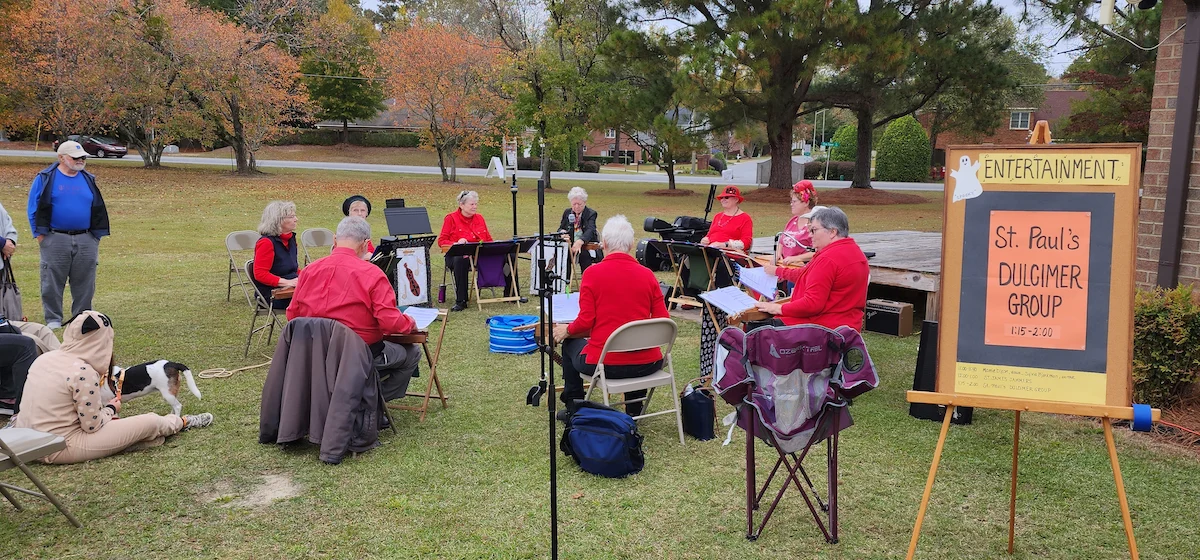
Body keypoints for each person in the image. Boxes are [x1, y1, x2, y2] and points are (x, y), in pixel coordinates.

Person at [12, 311, 213, 464]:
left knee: (129, 430)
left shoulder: (45, 358)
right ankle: (180, 422)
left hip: (23, 439)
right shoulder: (83, 371)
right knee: (150, 421)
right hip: (58, 446)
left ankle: (136, 441)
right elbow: (92, 426)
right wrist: (111, 409)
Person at [287, 217, 421, 401]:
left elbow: (292, 316)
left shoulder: (310, 270)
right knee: (412, 353)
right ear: (366, 245)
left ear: (334, 240)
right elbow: (391, 323)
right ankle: (371, 402)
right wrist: (411, 322)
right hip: (358, 353)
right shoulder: (372, 274)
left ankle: (349, 399)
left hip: (313, 352)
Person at [553, 215, 669, 421]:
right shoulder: (648, 275)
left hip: (606, 364)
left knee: (570, 342)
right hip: (649, 363)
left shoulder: (592, 273)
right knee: (632, 344)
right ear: (631, 245)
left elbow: (586, 321)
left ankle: (575, 405)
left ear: (603, 244)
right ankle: (634, 407)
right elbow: (663, 320)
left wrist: (566, 330)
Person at [26, 141, 111, 329]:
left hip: (86, 238)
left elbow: (96, 206)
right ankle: (53, 319)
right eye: (75, 157)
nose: (81, 161)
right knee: (52, 281)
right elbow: (33, 209)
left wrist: (94, 237)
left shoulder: (88, 178)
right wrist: (40, 236)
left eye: (83, 158)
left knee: (85, 282)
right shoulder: (45, 178)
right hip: (54, 237)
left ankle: (81, 318)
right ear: (61, 158)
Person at [755, 207, 869, 330]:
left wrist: (777, 308)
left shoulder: (828, 259)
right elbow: (807, 274)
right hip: (847, 327)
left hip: (822, 329)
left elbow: (812, 304)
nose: (810, 235)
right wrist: (777, 271)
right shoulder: (854, 251)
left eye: (813, 230)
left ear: (832, 232)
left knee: (757, 327)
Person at [437, 190, 512, 312]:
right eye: (472, 204)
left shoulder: (479, 218)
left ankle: (511, 293)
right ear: (462, 205)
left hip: (480, 256)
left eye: (476, 204)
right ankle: (461, 300)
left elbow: (488, 239)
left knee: (510, 256)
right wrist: (456, 243)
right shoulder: (450, 218)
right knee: (460, 260)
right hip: (457, 256)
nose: (475, 207)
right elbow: (441, 241)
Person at [252, 201, 300, 310]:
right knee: (314, 300)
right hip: (272, 294)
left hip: (290, 288)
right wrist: (287, 282)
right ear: (278, 220)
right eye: (292, 216)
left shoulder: (291, 239)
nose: (296, 219)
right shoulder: (266, 243)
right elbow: (260, 274)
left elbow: (294, 269)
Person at [776, 180, 825, 266]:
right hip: (784, 265)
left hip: (801, 268)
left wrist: (796, 258)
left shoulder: (815, 223)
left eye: (794, 201)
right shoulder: (792, 220)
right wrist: (778, 253)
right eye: (791, 201)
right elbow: (781, 242)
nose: (791, 204)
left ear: (806, 202)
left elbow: (818, 251)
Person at [557, 187, 601, 276]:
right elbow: (560, 228)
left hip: (587, 246)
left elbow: (591, 230)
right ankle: (565, 283)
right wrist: (562, 233)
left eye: (579, 204)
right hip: (570, 247)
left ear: (584, 203)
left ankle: (586, 281)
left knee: (584, 256)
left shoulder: (591, 214)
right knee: (563, 256)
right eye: (574, 204)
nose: (576, 207)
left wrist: (580, 241)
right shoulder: (567, 213)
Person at [700, 185, 754, 251]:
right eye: (721, 198)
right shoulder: (718, 216)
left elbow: (746, 243)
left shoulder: (745, 218)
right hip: (710, 250)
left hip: (728, 254)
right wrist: (705, 240)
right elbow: (709, 235)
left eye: (726, 197)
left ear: (736, 199)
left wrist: (724, 245)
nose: (723, 200)